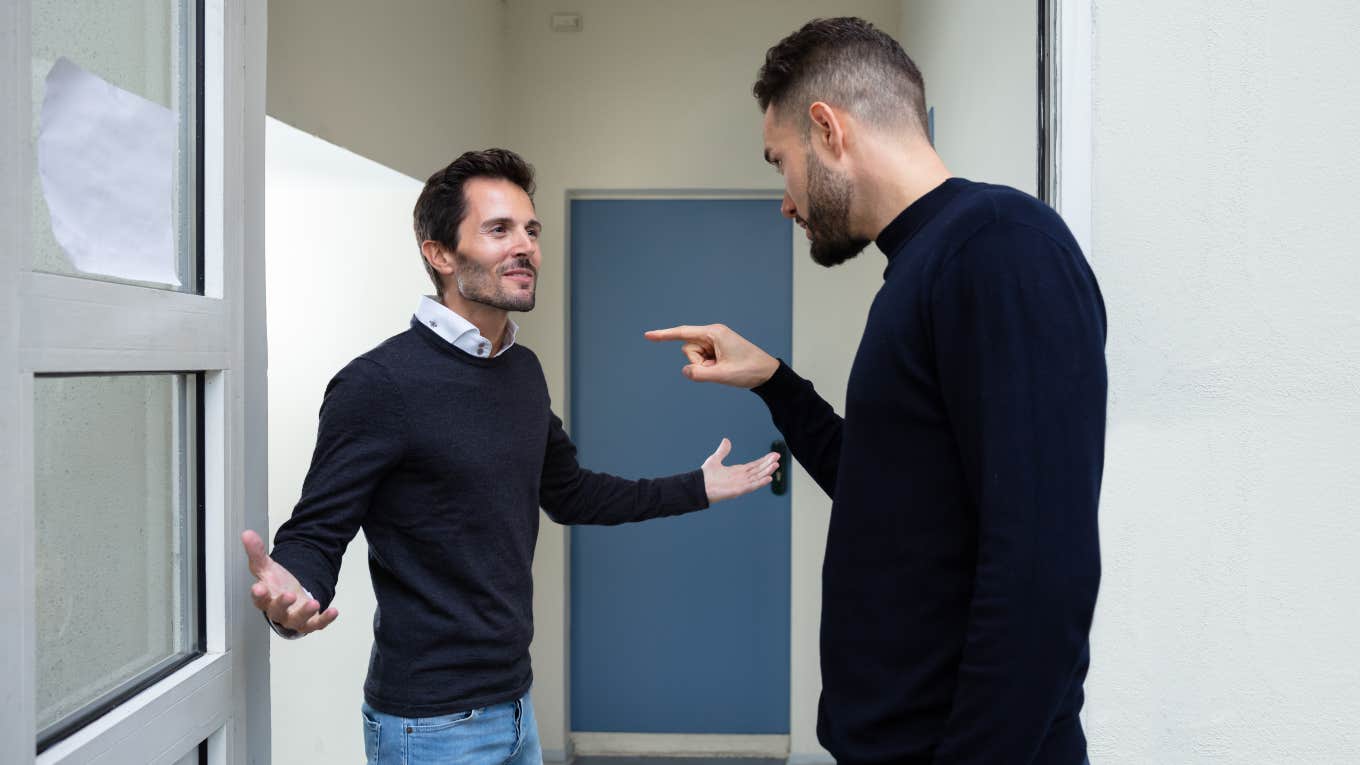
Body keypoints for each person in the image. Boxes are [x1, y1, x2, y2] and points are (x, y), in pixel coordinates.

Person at [647, 18, 1107, 765]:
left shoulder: (999, 248)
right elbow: (886, 489)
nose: (786, 201)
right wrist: (774, 380)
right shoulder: (928, 265)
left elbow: (1041, 567)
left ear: (827, 129)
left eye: (780, 163)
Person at [241, 148, 780, 765]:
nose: (525, 246)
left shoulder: (520, 371)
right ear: (439, 253)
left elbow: (571, 493)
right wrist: (293, 598)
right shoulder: (379, 384)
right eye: (499, 229)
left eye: (531, 229)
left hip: (517, 706)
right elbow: (316, 532)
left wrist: (696, 487)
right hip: (433, 724)